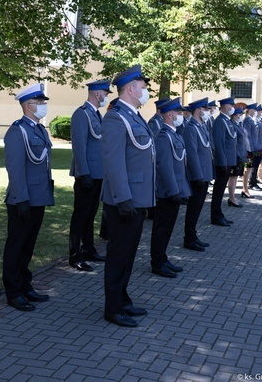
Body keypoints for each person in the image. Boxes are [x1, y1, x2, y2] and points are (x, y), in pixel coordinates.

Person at [101, 64, 156, 327]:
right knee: (118, 254)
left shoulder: (133, 115)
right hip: (124, 199)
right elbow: (113, 162)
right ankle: (112, 308)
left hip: (138, 197)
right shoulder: (116, 117)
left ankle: (122, 298)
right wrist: (123, 198)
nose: (146, 92)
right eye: (144, 88)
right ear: (131, 89)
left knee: (129, 253)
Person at [2, 84, 54, 311]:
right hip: (22, 200)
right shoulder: (17, 131)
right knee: (16, 245)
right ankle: (13, 292)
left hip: (38, 197)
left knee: (28, 245)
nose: (44, 106)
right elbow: (15, 168)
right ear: (28, 105)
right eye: (40, 103)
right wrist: (21, 198)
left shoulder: (40, 130)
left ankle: (25, 284)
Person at [68, 80, 112, 272]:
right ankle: (75, 255)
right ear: (96, 94)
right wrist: (83, 173)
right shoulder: (81, 114)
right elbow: (79, 146)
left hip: (97, 174)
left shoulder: (96, 115)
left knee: (90, 214)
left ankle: (88, 248)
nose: (106, 96)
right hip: (87, 175)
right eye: (105, 92)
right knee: (80, 216)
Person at [150, 98, 191, 278]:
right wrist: (174, 191)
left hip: (175, 190)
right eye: (179, 113)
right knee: (161, 228)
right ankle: (157, 262)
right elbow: (165, 168)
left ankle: (163, 257)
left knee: (168, 228)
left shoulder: (174, 134)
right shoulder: (163, 136)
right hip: (167, 192)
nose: (182, 116)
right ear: (169, 114)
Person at [183, 98, 213, 251]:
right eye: (205, 109)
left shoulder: (201, 127)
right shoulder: (191, 128)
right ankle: (189, 238)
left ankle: (193, 234)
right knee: (193, 207)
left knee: (199, 207)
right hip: (198, 175)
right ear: (198, 110)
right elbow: (192, 154)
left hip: (205, 172)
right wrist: (198, 175)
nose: (207, 112)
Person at [210, 97, 237, 226]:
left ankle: (219, 213)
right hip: (223, 162)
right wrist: (222, 162)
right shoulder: (220, 121)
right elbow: (219, 144)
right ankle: (215, 215)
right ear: (226, 107)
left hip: (228, 161)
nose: (234, 107)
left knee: (221, 190)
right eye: (232, 105)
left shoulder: (227, 121)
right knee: (218, 190)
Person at [227, 107, 247, 207]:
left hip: (239, 154)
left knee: (235, 177)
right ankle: (231, 197)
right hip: (235, 155)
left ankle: (232, 197)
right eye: (239, 114)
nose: (241, 116)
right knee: (232, 177)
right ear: (234, 115)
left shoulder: (237, 124)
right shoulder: (232, 125)